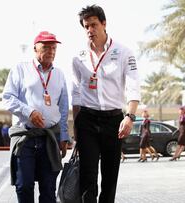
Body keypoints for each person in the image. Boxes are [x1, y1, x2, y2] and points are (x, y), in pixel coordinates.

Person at [72, 5, 141, 202]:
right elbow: (76, 93)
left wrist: (129, 116)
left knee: (110, 176)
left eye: (93, 25)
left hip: (114, 120)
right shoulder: (78, 56)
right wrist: (76, 124)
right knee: (88, 175)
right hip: (87, 119)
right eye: (86, 26)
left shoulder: (123, 52)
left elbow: (133, 87)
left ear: (104, 24)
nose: (89, 30)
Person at [2, 31, 69, 203]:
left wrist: (63, 137)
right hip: (25, 137)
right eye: (46, 47)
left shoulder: (60, 74)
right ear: (35, 48)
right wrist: (28, 112)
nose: (51, 51)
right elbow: (8, 98)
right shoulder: (20, 69)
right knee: (24, 185)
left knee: (48, 188)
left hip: (49, 138)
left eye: (54, 48)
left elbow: (63, 108)